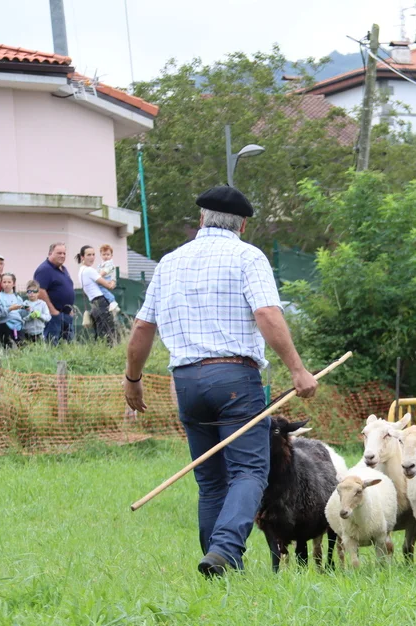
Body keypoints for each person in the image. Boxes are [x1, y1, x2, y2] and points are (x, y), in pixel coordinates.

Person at [124, 185, 318, 578]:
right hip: (234, 379)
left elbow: (143, 326)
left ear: (201, 219)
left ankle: (221, 568)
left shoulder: (169, 262)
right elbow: (267, 314)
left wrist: (133, 379)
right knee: (249, 470)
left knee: (211, 480)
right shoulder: (248, 257)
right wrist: (298, 369)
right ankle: (226, 550)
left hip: (186, 382)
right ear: (242, 225)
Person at [34, 243, 76, 344]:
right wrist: (53, 311)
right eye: (59, 253)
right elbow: (40, 291)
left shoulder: (63, 269)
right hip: (53, 316)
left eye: (64, 253)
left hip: (66, 315)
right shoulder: (44, 269)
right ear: (50, 253)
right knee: (52, 343)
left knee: (69, 346)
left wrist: (70, 310)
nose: (62, 255)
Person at [75, 245, 118, 344]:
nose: (92, 257)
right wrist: (113, 282)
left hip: (94, 303)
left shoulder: (81, 270)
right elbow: (108, 285)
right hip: (101, 301)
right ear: (82, 257)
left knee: (100, 332)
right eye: (89, 255)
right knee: (109, 332)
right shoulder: (90, 270)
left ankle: (101, 349)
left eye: (93, 254)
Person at [0, 273, 26, 346]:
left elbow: (21, 314)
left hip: (18, 325)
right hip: (5, 324)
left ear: (13, 284)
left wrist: (26, 310)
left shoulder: (18, 298)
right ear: (1, 284)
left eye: (9, 282)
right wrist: (10, 309)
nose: (6, 284)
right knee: (8, 346)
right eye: (4, 282)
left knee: (22, 347)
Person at [96, 244, 120, 314]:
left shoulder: (109, 263)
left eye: (108, 254)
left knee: (101, 287)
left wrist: (97, 277)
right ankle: (110, 304)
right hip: (103, 278)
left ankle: (112, 301)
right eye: (104, 254)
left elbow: (105, 271)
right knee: (101, 290)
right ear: (101, 255)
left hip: (107, 278)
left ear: (111, 255)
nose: (106, 256)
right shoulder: (100, 264)